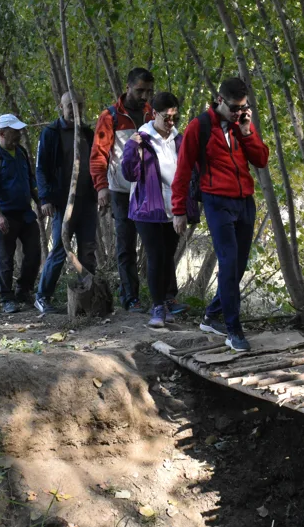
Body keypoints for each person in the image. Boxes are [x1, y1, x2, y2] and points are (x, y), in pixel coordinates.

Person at [171, 77, 268, 352]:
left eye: (244, 108)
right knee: (227, 262)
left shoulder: (243, 126)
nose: (239, 113)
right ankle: (233, 329)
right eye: (235, 108)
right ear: (221, 100)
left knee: (237, 266)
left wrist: (247, 132)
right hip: (216, 201)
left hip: (245, 201)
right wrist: (178, 209)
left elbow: (261, 159)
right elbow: (183, 170)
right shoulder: (198, 126)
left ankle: (212, 315)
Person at [122, 92, 197, 329]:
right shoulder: (142, 138)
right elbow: (128, 173)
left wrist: (186, 206)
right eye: (166, 117)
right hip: (147, 208)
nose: (171, 122)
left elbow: (190, 172)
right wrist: (131, 149)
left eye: (175, 117)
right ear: (154, 114)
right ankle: (157, 306)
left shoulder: (179, 139)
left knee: (167, 257)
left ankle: (166, 301)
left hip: (174, 209)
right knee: (155, 256)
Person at [91, 67, 154, 312]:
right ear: (127, 87)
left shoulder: (152, 114)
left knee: (152, 244)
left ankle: (161, 298)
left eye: (148, 91)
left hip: (149, 191)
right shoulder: (111, 116)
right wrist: (101, 187)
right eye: (140, 90)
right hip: (120, 190)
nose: (144, 96)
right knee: (126, 245)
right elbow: (98, 153)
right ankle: (130, 297)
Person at [35, 92, 98, 315]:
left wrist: (100, 191)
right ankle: (42, 296)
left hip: (88, 200)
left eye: (79, 105)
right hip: (64, 202)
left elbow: (97, 164)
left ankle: (88, 297)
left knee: (88, 249)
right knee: (60, 250)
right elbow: (41, 168)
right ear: (60, 107)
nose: (75, 109)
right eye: (70, 105)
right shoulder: (51, 133)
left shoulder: (88, 133)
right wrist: (46, 198)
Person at [0, 114, 41, 314]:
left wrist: (39, 202)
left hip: (25, 213)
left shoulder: (21, 152)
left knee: (34, 252)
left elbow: (30, 180)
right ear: (2, 133)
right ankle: (6, 297)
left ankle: (24, 289)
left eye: (19, 130)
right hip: (4, 214)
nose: (19, 134)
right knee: (5, 258)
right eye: (14, 131)